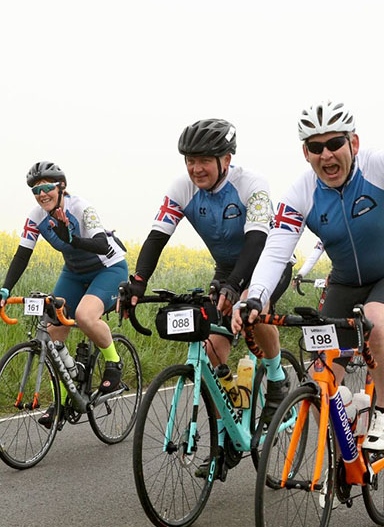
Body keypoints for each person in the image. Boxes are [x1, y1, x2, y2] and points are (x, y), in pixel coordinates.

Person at [234, 75, 384, 451]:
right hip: (344, 282)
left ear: (353, 142)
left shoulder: (382, 166)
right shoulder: (301, 192)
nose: (327, 155)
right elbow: (276, 250)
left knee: (375, 321)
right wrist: (255, 297)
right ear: (305, 153)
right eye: (315, 147)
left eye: (335, 144)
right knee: (321, 379)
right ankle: (348, 436)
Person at [122, 118, 292, 423]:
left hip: (266, 262)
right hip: (227, 268)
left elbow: (257, 240)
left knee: (253, 307)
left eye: (204, 161)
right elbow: (157, 238)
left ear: (226, 160)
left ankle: (278, 377)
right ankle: (226, 434)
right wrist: (138, 282)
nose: (196, 168)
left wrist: (236, 286)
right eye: (190, 161)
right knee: (211, 350)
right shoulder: (182, 188)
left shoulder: (252, 184)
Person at [0, 162, 129, 426]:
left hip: (107, 268)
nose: (42, 194)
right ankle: (61, 401)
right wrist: (4, 290)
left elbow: (100, 244)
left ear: (61, 187)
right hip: (74, 273)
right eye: (36, 190)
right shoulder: (36, 217)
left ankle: (114, 365)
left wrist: (72, 239)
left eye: (47, 188)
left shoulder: (81, 207)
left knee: (85, 317)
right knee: (52, 332)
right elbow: (22, 255)